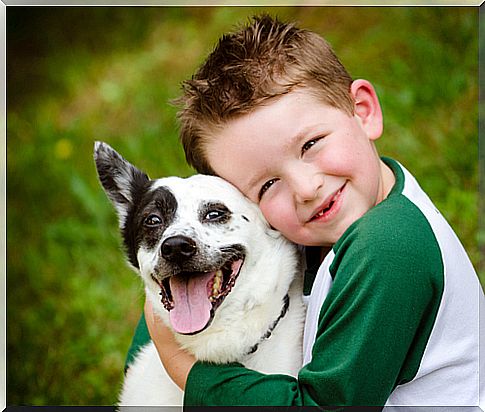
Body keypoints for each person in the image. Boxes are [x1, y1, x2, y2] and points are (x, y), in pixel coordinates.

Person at [131, 15, 485, 407]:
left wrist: (185, 368)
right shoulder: (323, 226)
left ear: (363, 110)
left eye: (311, 144)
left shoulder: (388, 246)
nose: (305, 189)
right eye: (267, 185)